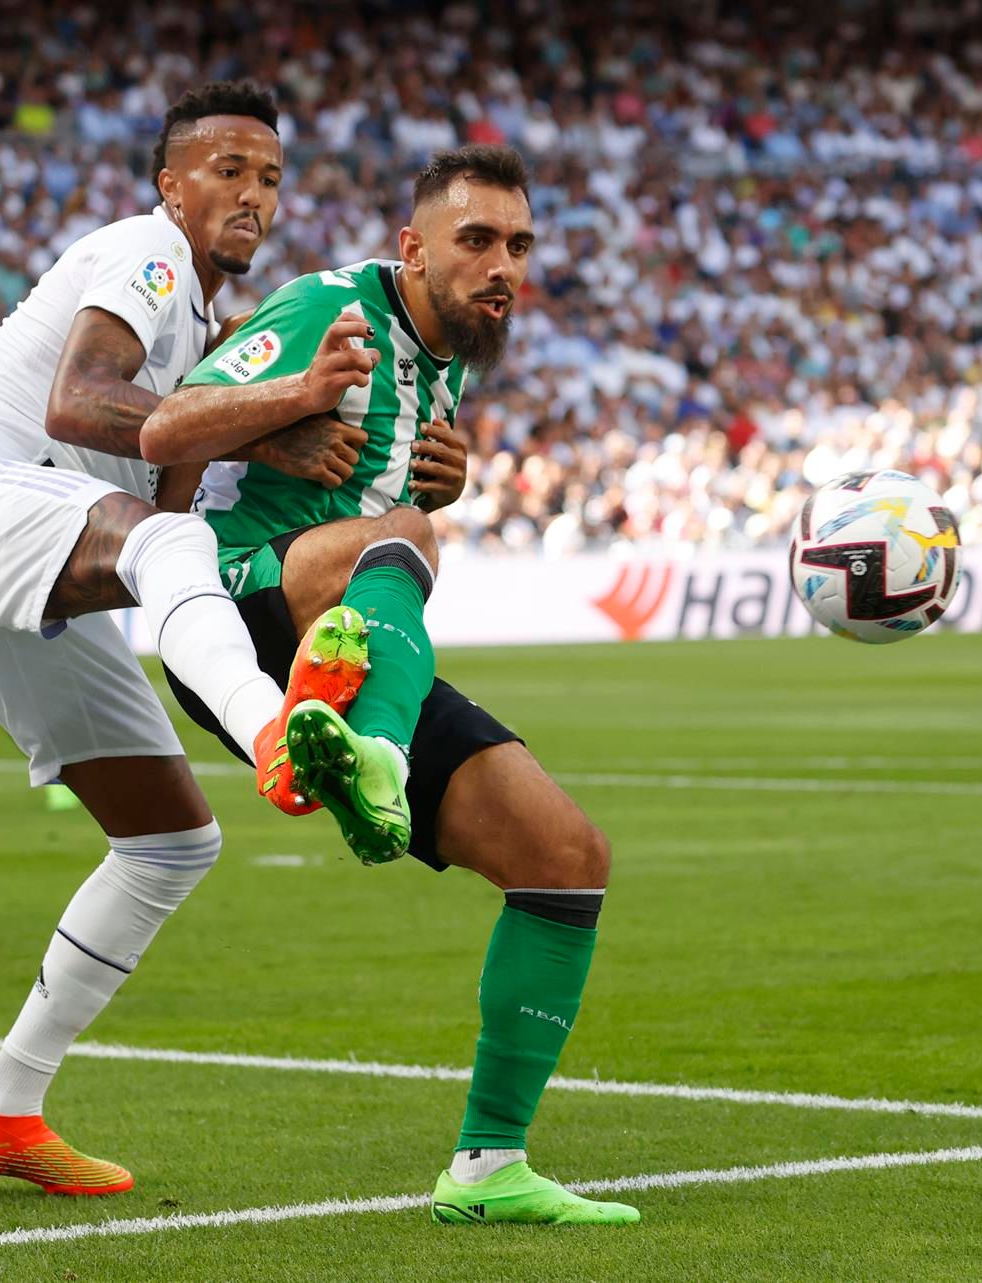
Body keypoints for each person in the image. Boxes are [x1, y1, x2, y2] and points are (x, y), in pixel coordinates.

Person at [0, 82, 372, 1196]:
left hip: (30, 548)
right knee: (160, 547)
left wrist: (276, 434)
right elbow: (76, 401)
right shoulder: (147, 253)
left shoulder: (205, 324)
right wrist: (287, 390)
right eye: (227, 170)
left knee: (170, 843)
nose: (253, 196)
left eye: (271, 178)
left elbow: (170, 478)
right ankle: (271, 730)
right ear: (170, 186)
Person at [139, 145, 637, 1227]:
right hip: (237, 605)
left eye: (518, 245)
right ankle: (376, 755)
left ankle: (489, 1165)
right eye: (476, 241)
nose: (502, 264)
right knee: (402, 535)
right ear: (413, 248)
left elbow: (376, 482)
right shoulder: (333, 307)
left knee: (566, 855)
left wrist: (444, 478)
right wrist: (286, 405)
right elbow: (164, 423)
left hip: (348, 640)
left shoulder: (447, 356)